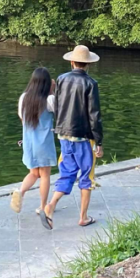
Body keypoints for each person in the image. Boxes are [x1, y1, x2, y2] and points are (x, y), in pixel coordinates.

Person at [41, 45, 104, 229]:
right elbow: (94, 115)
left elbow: (58, 106)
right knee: (86, 176)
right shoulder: (91, 83)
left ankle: (50, 206)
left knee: (67, 172)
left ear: (72, 62)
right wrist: (98, 141)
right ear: (88, 64)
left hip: (63, 134)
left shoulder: (61, 79)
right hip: (84, 137)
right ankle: (83, 217)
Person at [10, 68, 58, 216]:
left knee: (34, 172)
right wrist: (53, 90)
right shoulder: (49, 100)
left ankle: (21, 191)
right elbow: (61, 111)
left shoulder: (24, 98)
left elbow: (22, 118)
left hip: (28, 142)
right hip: (43, 143)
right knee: (45, 175)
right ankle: (43, 207)